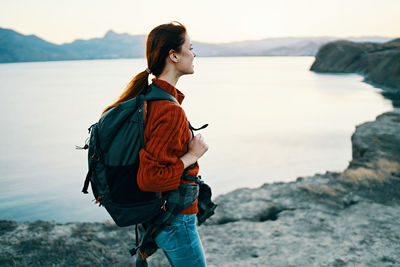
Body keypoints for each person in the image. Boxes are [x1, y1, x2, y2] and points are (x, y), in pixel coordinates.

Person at [103, 21, 209, 267]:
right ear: (173, 55)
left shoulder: (150, 98)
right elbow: (150, 178)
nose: (194, 54)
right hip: (175, 219)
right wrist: (192, 156)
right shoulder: (168, 110)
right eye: (190, 48)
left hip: (162, 215)